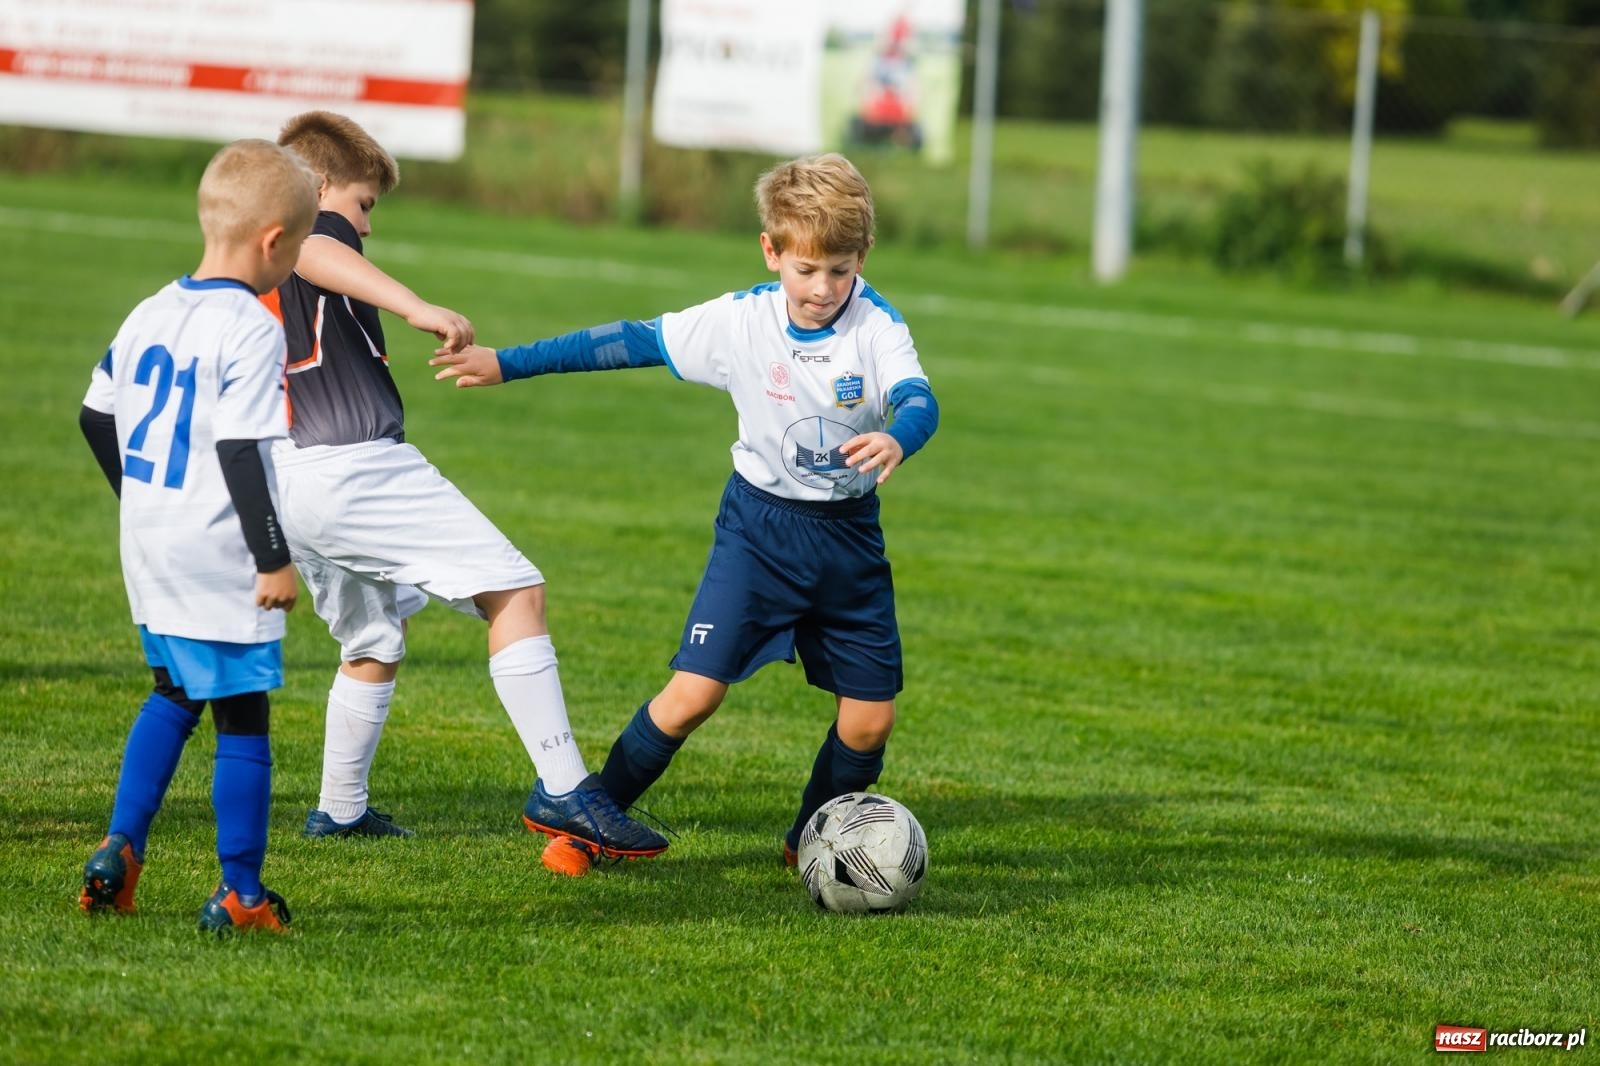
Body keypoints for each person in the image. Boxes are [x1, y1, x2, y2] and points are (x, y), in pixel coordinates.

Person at [430, 153, 940, 876]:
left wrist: (897, 434)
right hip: (758, 535)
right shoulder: (740, 322)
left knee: (869, 721)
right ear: (772, 251)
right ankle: (587, 822)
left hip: (848, 543)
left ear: (864, 256)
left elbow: (920, 399)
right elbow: (624, 342)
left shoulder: (877, 326)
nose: (823, 288)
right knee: (693, 696)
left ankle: (813, 845)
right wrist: (509, 362)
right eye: (806, 269)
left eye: (840, 269)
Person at [266, 111, 667, 864]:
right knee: (516, 592)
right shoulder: (311, 231)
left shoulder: (256, 254)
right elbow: (320, 242)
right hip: (355, 467)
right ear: (319, 188)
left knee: (373, 637)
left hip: (289, 479)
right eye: (365, 203)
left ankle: (339, 811)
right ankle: (565, 787)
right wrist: (414, 305)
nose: (366, 226)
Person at [77, 139, 318, 933]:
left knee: (173, 692)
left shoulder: (151, 307)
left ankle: (119, 850)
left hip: (149, 544)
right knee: (243, 715)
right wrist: (274, 559)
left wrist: (145, 499)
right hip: (218, 550)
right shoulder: (251, 326)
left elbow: (94, 413)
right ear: (274, 240)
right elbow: (242, 448)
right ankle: (242, 894)